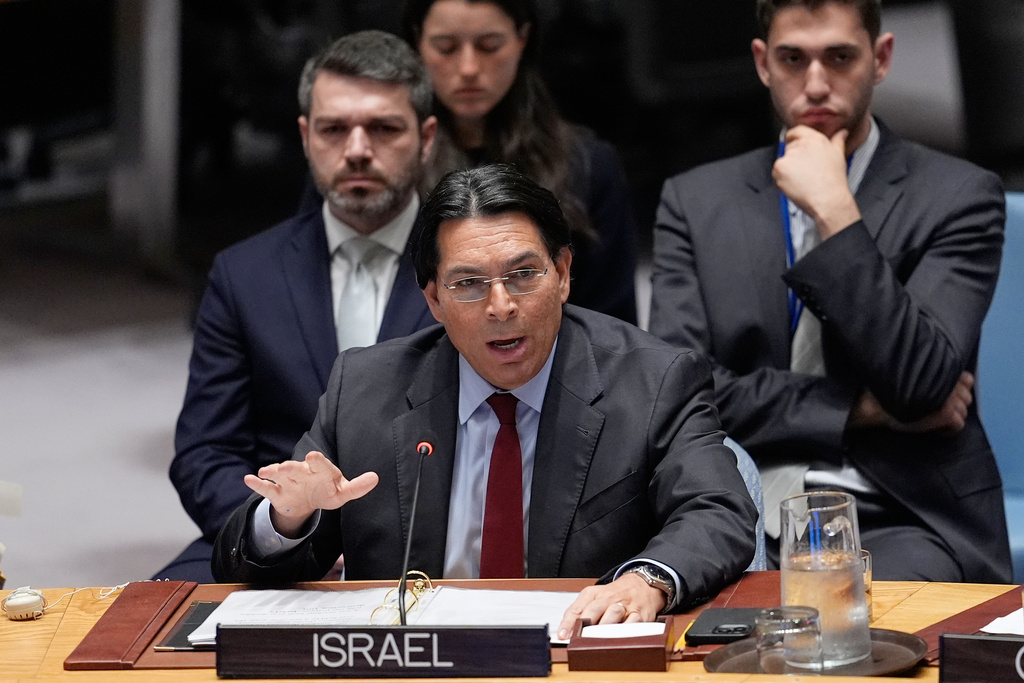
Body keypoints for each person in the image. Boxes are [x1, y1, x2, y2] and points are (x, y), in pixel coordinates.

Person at [213, 164, 758, 636]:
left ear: (563, 273)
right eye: (468, 283)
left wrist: (648, 579)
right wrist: (288, 517)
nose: (501, 306)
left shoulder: (654, 379)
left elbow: (718, 509)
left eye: (523, 274)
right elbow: (243, 570)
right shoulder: (366, 387)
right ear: (432, 299)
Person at [649, 0, 1010, 582]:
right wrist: (859, 410)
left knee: (849, 633)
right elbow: (681, 396)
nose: (816, 84)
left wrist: (836, 213)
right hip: (733, 503)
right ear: (764, 64)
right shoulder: (696, 201)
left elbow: (920, 388)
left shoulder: (959, 195)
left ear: (881, 58)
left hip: (898, 511)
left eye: (839, 57)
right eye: (794, 58)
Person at [158, 31, 439, 583]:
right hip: (270, 538)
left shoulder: (471, 271)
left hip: (432, 547)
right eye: (335, 129)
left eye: (383, 128)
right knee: (143, 634)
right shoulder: (244, 274)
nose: (357, 149)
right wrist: (278, 528)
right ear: (307, 137)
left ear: (426, 138)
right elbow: (206, 452)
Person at [399, 0, 639, 324]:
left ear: (522, 38)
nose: (468, 67)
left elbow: (613, 329)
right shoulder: (394, 160)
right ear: (417, 42)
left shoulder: (588, 164)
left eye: (489, 46)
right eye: (446, 48)